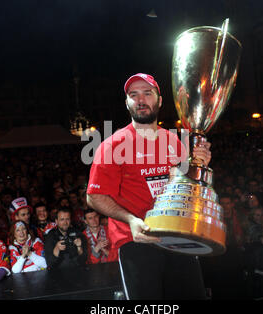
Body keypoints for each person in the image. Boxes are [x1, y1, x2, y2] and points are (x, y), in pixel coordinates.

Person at [87, 73, 211, 299]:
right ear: (127, 103)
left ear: (160, 100)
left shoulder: (177, 140)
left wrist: (199, 168)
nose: (140, 100)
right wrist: (132, 220)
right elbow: (95, 196)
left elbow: (186, 189)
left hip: (178, 236)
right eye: (133, 95)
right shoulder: (112, 145)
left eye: (147, 93)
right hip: (138, 241)